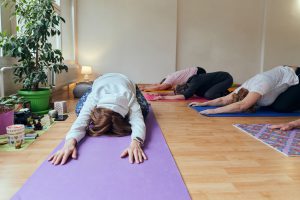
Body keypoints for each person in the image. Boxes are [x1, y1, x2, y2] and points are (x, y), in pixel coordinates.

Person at [48, 73, 148, 165]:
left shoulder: (129, 96)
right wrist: (69, 143)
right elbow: (81, 120)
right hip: (101, 80)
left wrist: (136, 142)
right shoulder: (95, 96)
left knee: (144, 111)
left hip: (126, 81)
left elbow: (138, 120)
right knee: (79, 110)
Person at [189, 65, 300, 114]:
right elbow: (223, 100)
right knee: (271, 104)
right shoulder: (243, 89)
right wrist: (204, 104)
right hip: (281, 77)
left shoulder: (260, 86)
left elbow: (242, 106)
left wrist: (213, 111)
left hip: (296, 75)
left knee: (281, 107)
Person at [150, 71, 233, 100]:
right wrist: (161, 94)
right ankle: (223, 91)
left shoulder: (194, 84)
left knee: (209, 95)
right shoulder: (190, 86)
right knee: (205, 94)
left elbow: (183, 96)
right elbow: (177, 93)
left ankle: (230, 95)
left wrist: (163, 98)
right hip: (217, 82)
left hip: (226, 78)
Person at [140, 67, 206, 92]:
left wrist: (146, 89)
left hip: (197, 72)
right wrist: (146, 86)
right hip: (196, 70)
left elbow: (160, 87)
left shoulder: (169, 80)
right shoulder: (169, 77)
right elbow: (158, 84)